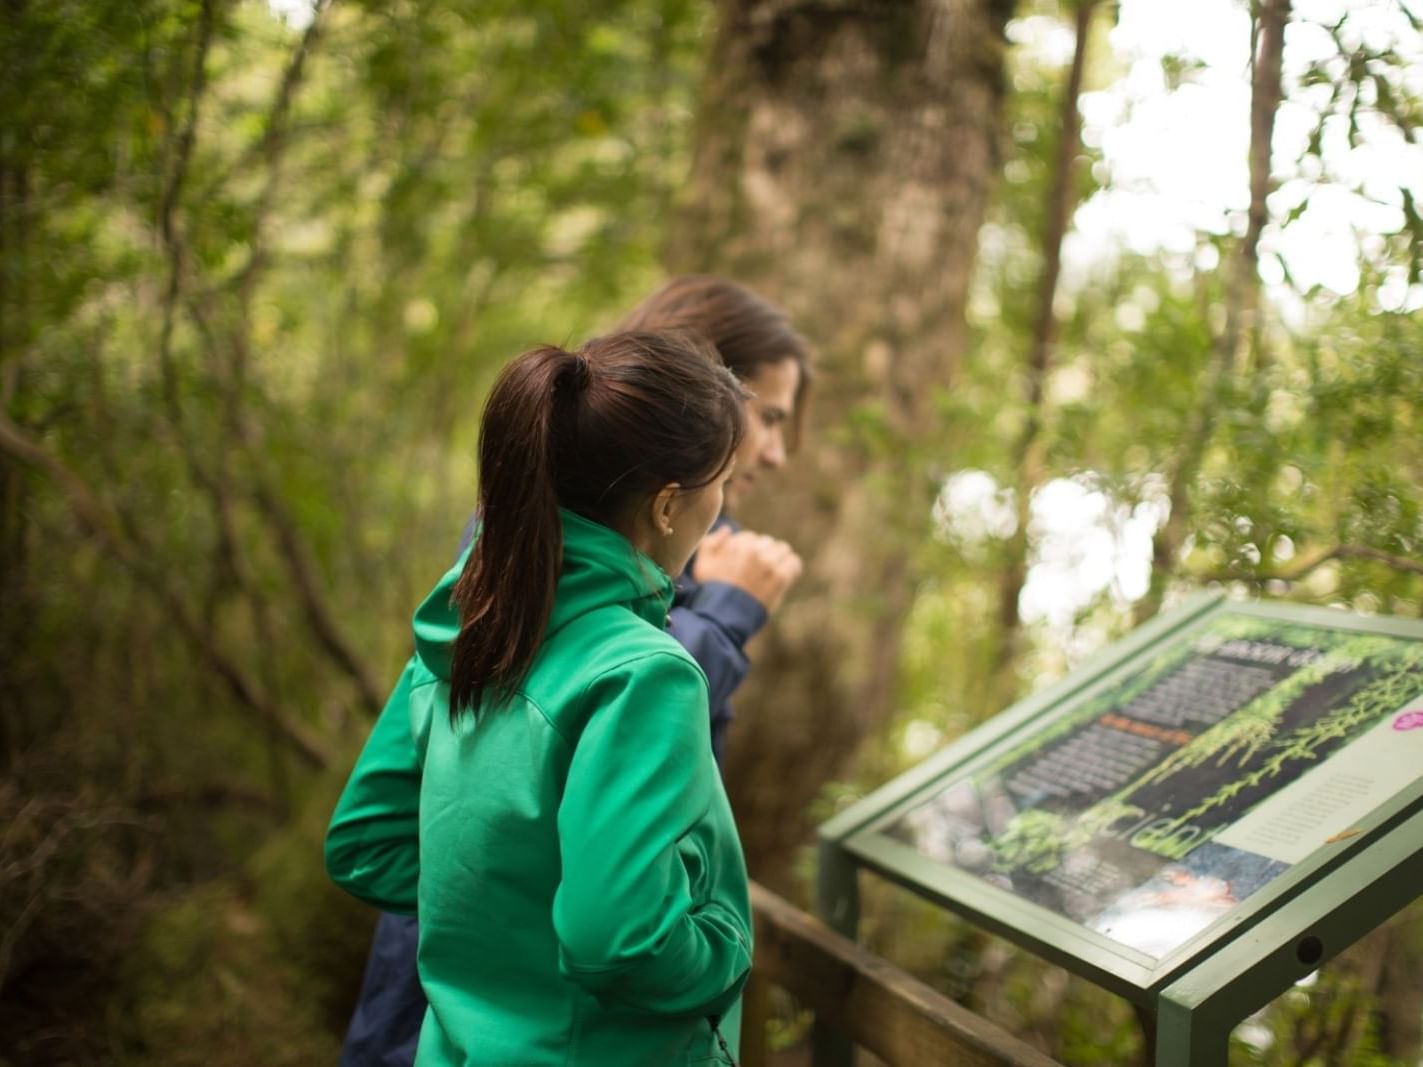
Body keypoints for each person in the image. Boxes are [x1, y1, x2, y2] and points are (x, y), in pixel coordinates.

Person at [337, 277, 812, 1067]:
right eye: (724, 473)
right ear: (668, 499)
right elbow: (615, 936)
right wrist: (726, 946)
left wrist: (511, 910)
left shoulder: (471, 611)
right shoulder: (646, 670)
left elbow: (369, 840)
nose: (740, 488)